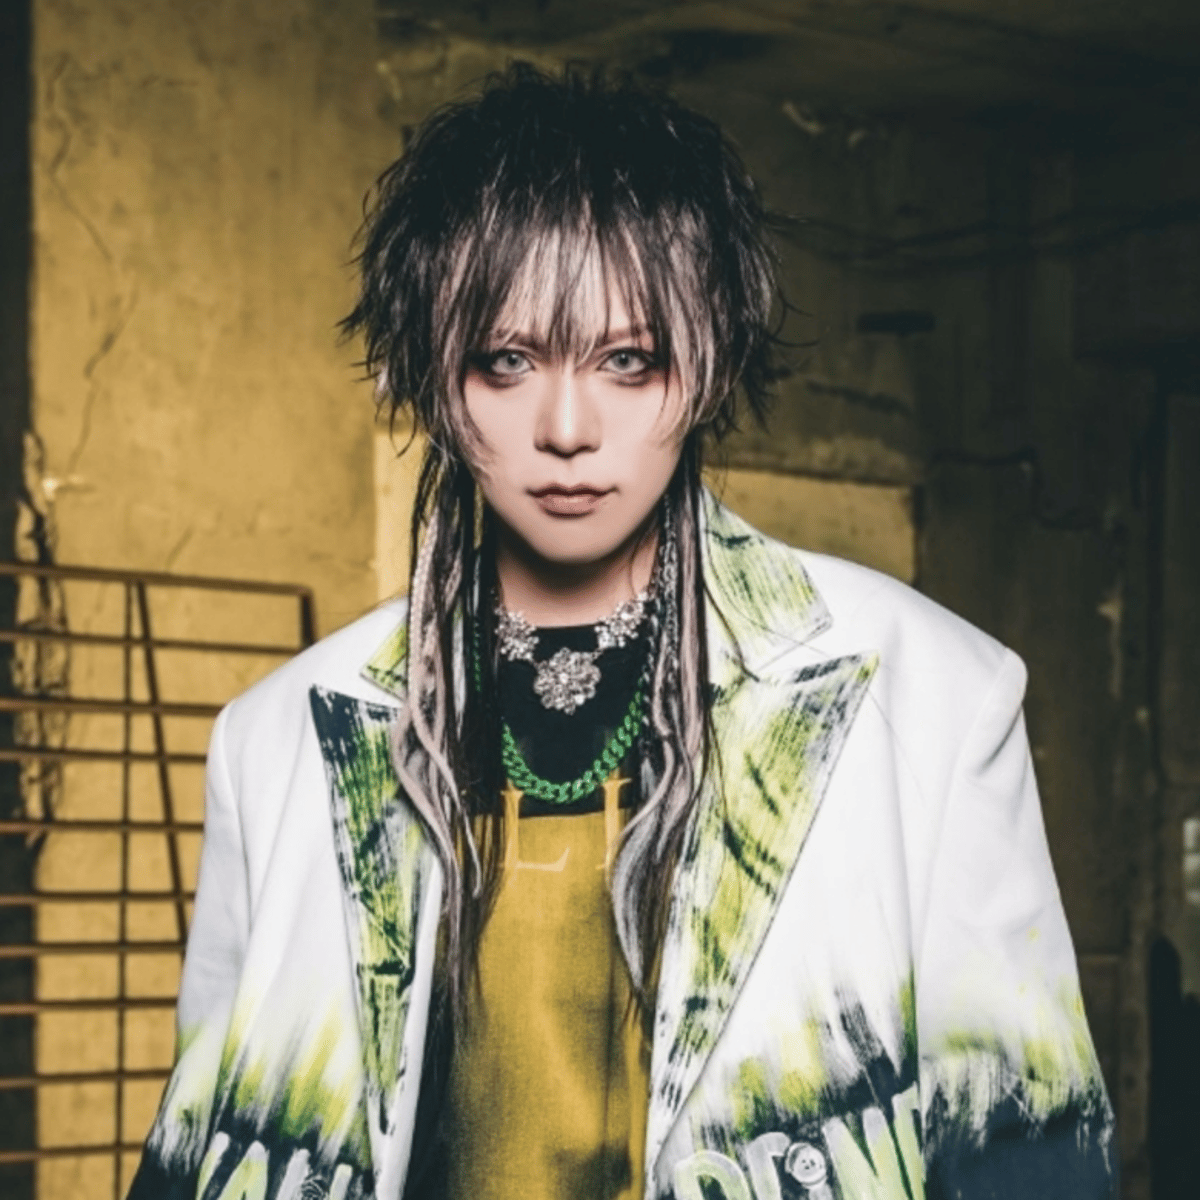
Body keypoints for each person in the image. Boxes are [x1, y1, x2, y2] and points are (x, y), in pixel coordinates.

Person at [128, 65, 1117, 1200]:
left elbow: (1031, 1149)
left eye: (627, 359)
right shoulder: (278, 741)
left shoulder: (931, 695)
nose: (566, 428)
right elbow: (200, 1154)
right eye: (507, 360)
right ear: (433, 374)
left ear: (710, 361)